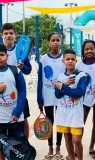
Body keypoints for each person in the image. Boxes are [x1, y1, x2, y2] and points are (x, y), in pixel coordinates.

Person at [0, 23, 32, 160]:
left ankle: (22, 147)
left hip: (17, 93)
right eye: (6, 33)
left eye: (11, 33)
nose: (9, 36)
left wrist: (22, 66)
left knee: (23, 119)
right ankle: (2, 151)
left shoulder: (21, 49)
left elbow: (28, 70)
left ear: (15, 35)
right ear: (2, 35)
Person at [54, 49, 88, 160]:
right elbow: (57, 95)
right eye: (67, 59)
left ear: (76, 61)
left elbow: (79, 93)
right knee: (67, 138)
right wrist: (64, 84)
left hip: (76, 113)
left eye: (72, 59)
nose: (70, 61)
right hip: (63, 112)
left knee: (76, 140)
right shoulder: (60, 77)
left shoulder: (82, 76)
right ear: (63, 61)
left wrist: (63, 87)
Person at [37, 32, 65, 160]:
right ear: (48, 42)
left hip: (61, 97)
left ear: (61, 42)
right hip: (47, 97)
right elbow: (40, 80)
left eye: (58, 40)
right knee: (49, 123)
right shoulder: (43, 59)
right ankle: (50, 148)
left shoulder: (64, 58)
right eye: (53, 40)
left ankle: (58, 148)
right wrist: (39, 98)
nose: (55, 42)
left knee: (59, 123)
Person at [76, 40, 95, 159]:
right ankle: (77, 148)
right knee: (80, 123)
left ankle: (91, 147)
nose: (89, 51)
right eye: (87, 49)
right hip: (84, 99)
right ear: (83, 51)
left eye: (92, 48)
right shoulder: (79, 65)